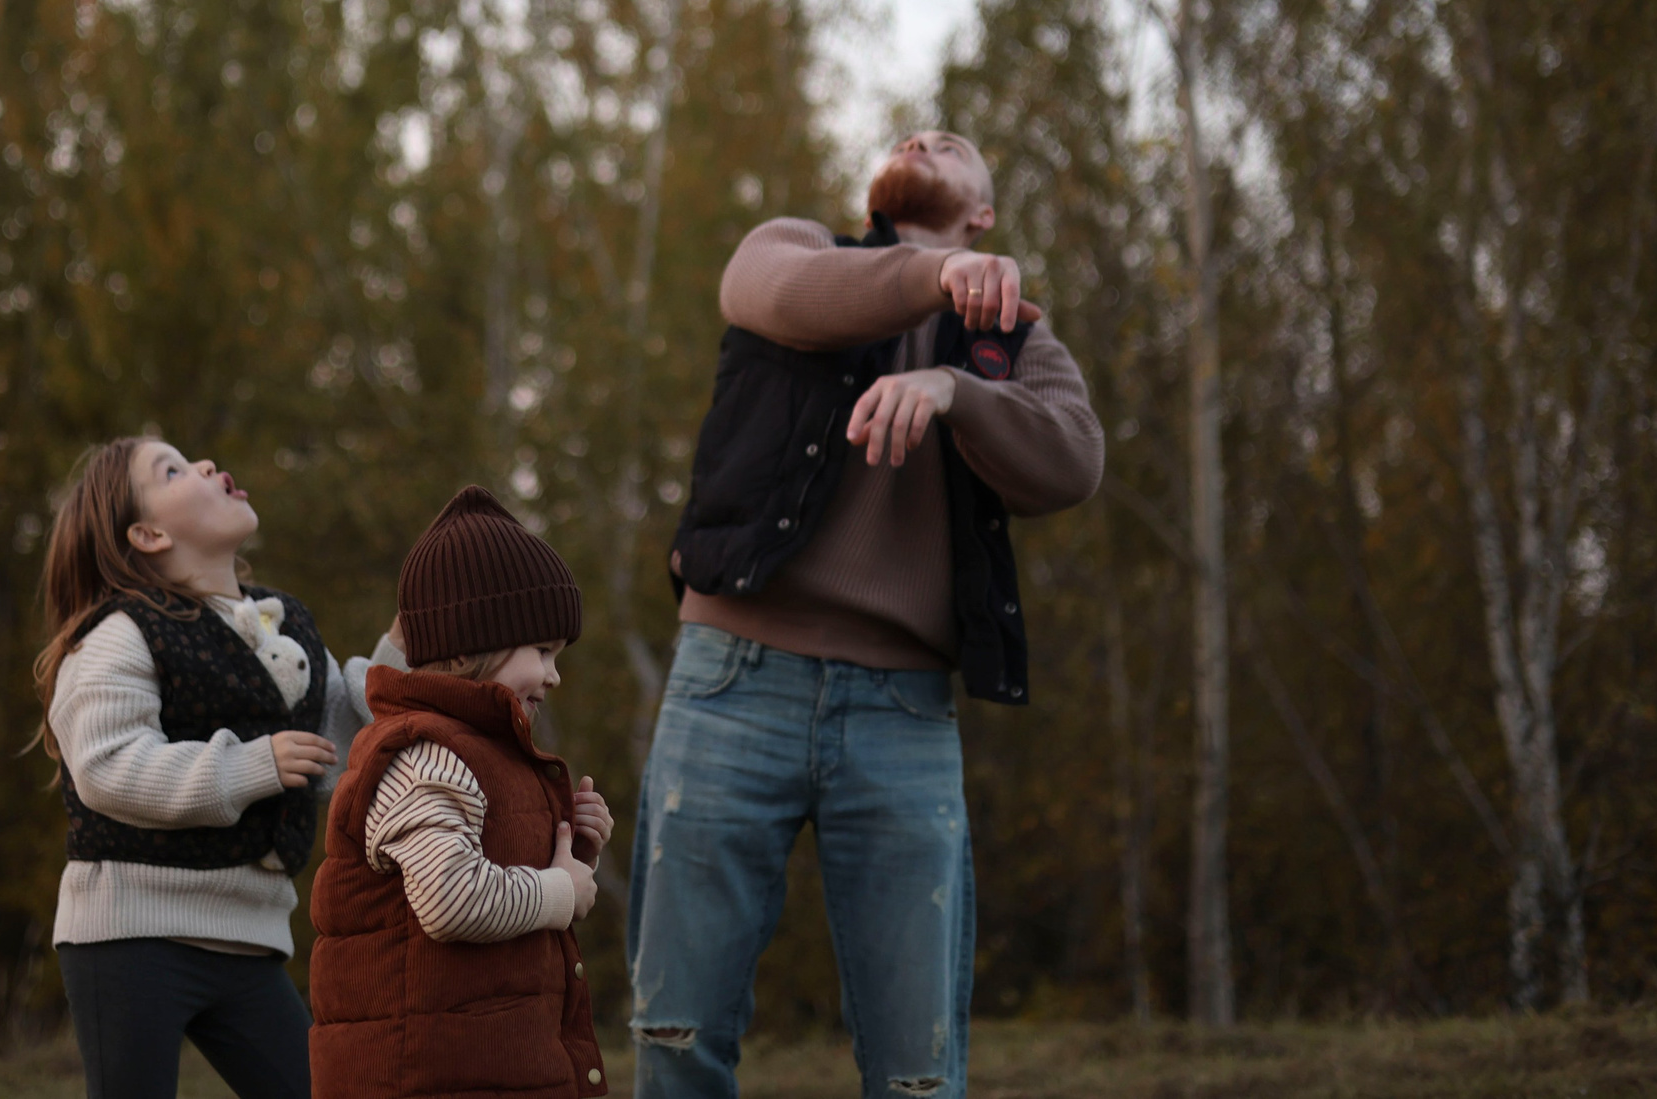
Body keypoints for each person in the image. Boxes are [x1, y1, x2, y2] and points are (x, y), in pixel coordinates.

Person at [627, 130, 1105, 1099]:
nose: (924, 138)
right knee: (676, 1035)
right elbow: (775, 294)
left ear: (983, 215)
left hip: (904, 713)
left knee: (917, 1074)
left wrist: (954, 390)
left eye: (953, 144)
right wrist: (935, 278)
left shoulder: (1014, 339)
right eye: (912, 136)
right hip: (731, 682)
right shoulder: (798, 249)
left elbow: (1073, 459)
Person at [33, 436, 405, 1099]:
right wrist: (250, 765)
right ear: (147, 533)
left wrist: (403, 649)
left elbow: (335, 746)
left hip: (247, 939)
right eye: (172, 470)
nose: (205, 465)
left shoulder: (282, 628)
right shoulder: (119, 634)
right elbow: (108, 766)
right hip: (131, 935)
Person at [309, 486, 618, 1099]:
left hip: (487, 1060)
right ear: (465, 648)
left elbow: (501, 883)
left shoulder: (483, 751)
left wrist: (573, 853)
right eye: (542, 651)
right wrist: (559, 891)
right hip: (420, 1074)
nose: (554, 675)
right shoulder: (423, 754)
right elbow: (451, 899)